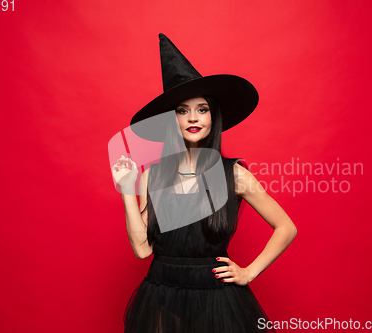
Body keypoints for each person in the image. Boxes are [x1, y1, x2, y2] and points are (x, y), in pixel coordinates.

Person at [111, 33, 297, 333]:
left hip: (216, 299)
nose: (192, 118)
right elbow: (142, 251)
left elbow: (287, 227)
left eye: (202, 109)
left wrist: (249, 272)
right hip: (161, 294)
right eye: (182, 111)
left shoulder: (233, 174)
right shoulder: (152, 175)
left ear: (213, 117)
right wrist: (127, 191)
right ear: (172, 120)